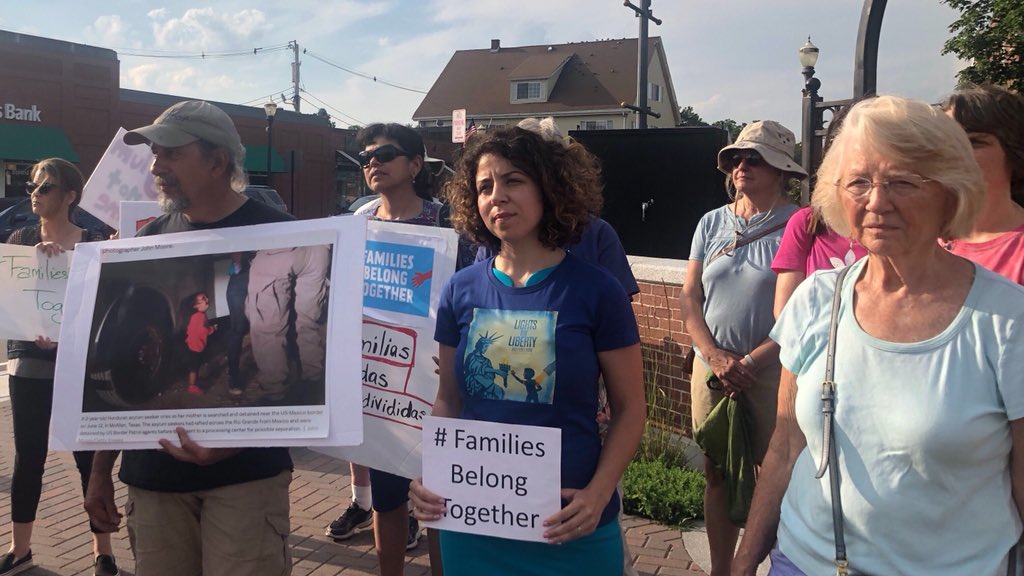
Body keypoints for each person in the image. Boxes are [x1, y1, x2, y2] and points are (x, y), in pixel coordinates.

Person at [734, 96, 1024, 575]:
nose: (876, 202)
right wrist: (744, 563)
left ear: (950, 192)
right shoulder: (815, 300)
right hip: (802, 563)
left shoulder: (1007, 320)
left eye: (902, 182)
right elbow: (785, 446)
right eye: (859, 182)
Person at [410, 126, 645, 575]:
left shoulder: (598, 292)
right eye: (484, 187)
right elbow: (449, 401)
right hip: (473, 522)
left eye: (513, 180)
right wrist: (431, 473)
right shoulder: (459, 291)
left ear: (550, 188)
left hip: (570, 525)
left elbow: (630, 409)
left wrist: (598, 494)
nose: (497, 196)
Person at [84, 100, 295, 576]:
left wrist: (235, 444)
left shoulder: (286, 237)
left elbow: (303, 361)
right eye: (155, 154)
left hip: (246, 479)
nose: (155, 167)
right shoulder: (145, 243)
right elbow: (111, 362)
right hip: (154, 479)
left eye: (172, 154)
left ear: (218, 162)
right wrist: (99, 472)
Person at [680, 120, 803, 575]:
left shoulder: (800, 225)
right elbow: (690, 295)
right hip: (712, 367)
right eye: (736, 158)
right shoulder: (711, 222)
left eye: (755, 158)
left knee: (775, 473)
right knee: (717, 469)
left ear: (781, 170)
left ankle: (769, 566)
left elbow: (802, 308)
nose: (742, 166)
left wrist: (751, 360)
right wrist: (713, 355)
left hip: (773, 369)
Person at [325, 123, 439, 574]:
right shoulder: (357, 225)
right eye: (365, 157)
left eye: (385, 154)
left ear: (415, 164)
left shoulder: (448, 223)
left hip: (433, 384)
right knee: (387, 499)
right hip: (380, 386)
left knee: (438, 501)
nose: (373, 162)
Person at [1, 158, 118, 576]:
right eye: (33, 186)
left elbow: (104, 307)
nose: (35, 194)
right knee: (28, 457)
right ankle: (20, 548)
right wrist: (35, 264)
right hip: (29, 362)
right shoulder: (20, 238)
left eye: (45, 187)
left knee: (88, 458)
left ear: (70, 195)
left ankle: (103, 550)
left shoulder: (92, 244)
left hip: (78, 365)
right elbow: (12, 300)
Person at [941, 83, 1024, 285]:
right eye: (946, 142)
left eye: (974, 142)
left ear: (1014, 152)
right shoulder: (919, 234)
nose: (956, 152)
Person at [184, 291, 217, 396]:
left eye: (206, 298)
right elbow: (203, 331)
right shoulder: (200, 317)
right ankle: (192, 386)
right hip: (196, 346)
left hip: (192, 344)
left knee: (195, 366)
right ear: (196, 306)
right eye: (203, 299)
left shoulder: (196, 316)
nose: (207, 300)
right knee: (194, 367)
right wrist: (212, 329)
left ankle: (195, 382)